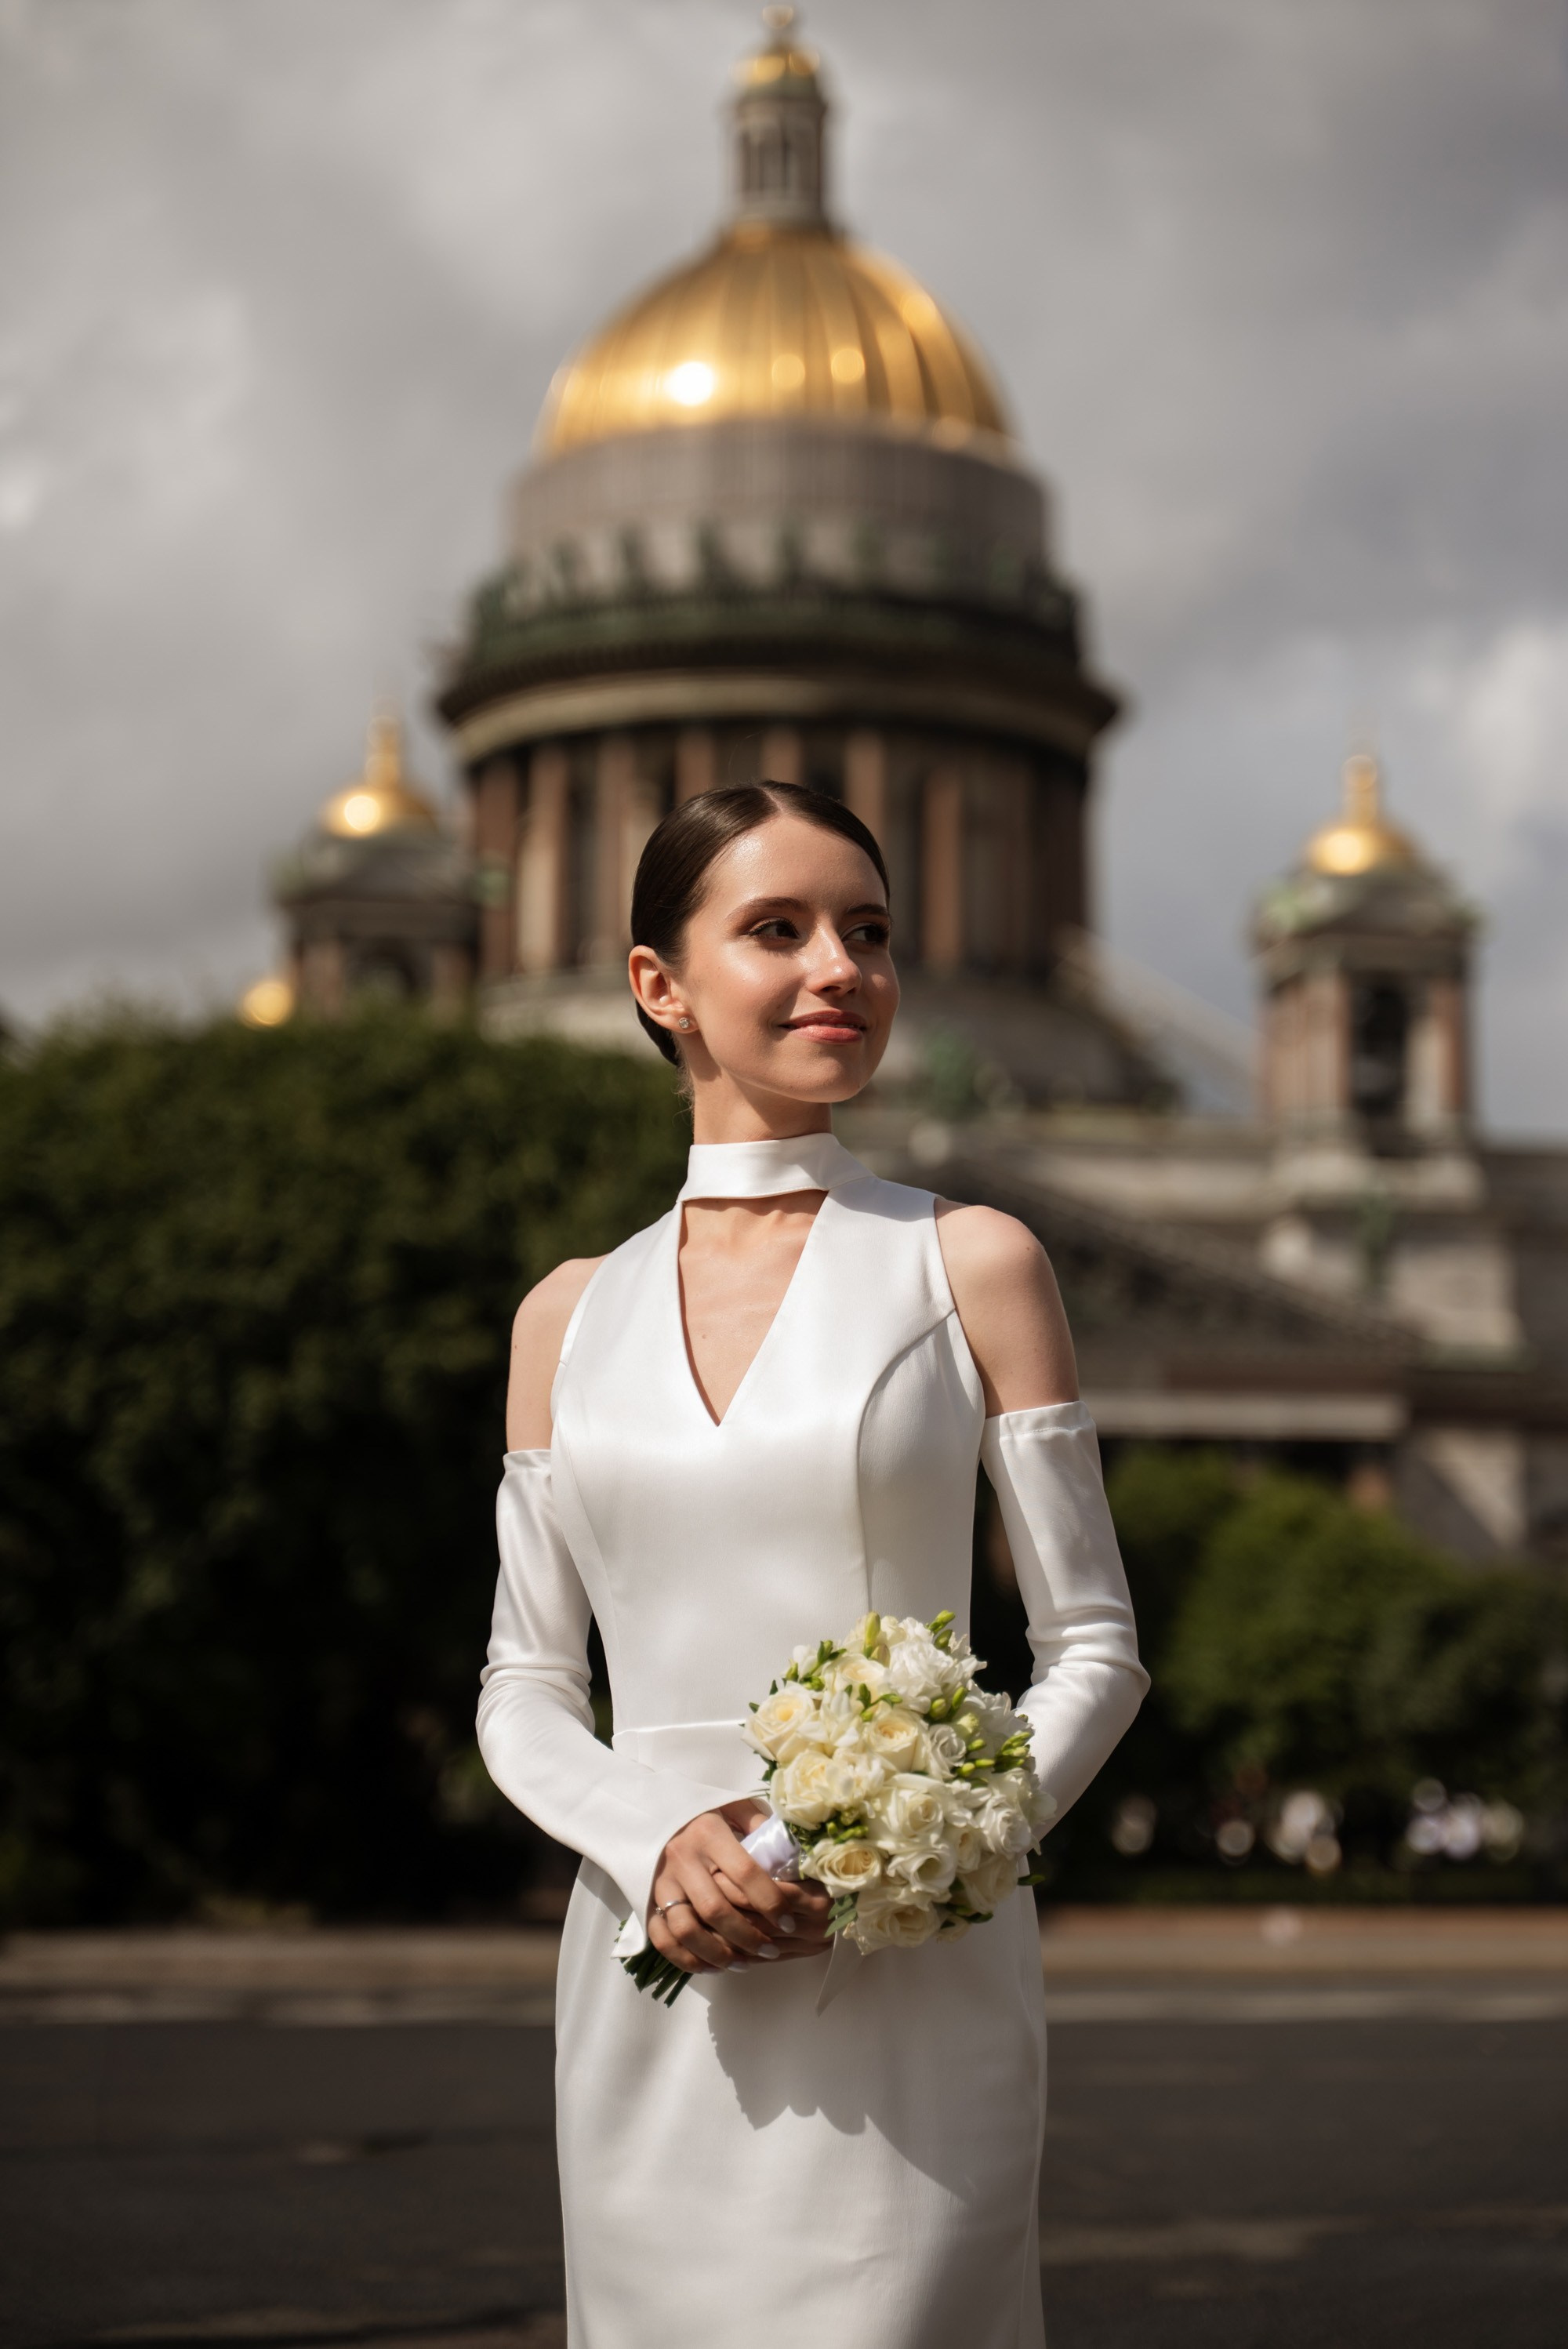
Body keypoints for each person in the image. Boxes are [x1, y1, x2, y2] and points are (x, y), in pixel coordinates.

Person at [477, 782, 1149, 2348]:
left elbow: (1095, 1644)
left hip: (911, 1977)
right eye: (776, 929)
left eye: (869, 931)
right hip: (655, 1979)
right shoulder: (563, 1314)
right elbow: (523, 1681)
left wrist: (919, 1852)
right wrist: (658, 1846)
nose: (838, 966)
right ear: (662, 984)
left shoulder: (969, 1258)